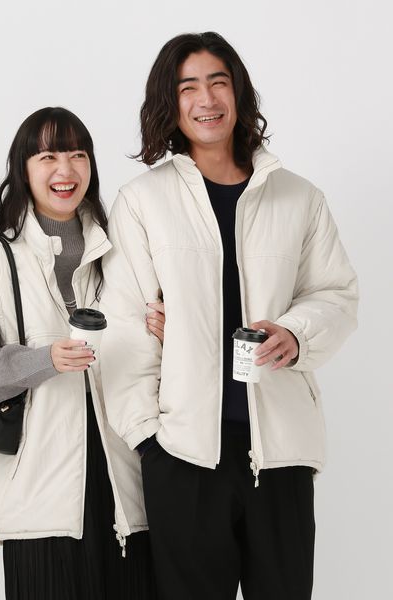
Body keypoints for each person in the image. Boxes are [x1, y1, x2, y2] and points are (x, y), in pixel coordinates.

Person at [99, 32, 358, 600]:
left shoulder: (299, 197)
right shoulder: (143, 201)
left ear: (238, 93)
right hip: (183, 456)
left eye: (218, 82)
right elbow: (122, 328)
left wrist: (296, 332)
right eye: (188, 87)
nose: (206, 99)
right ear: (170, 103)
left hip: (280, 452)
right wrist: (150, 442)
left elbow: (337, 295)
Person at [0, 106, 163, 600]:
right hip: (40, 494)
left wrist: (163, 331)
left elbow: (150, 355)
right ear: (23, 169)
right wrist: (45, 359)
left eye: (77, 154)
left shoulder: (123, 254)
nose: (65, 170)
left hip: (125, 482)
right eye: (48, 156)